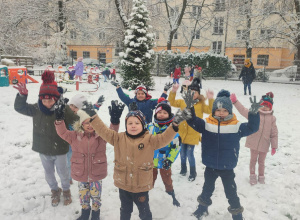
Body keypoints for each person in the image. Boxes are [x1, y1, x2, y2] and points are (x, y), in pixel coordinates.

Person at [79, 100, 190, 220]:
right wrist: (93, 117)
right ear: (126, 125)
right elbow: (103, 131)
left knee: (144, 212)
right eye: (130, 123)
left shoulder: (150, 140)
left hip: (141, 186)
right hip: (123, 185)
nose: (133, 125)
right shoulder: (118, 138)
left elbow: (165, 138)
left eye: (137, 123)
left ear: (143, 125)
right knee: (125, 211)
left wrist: (174, 125)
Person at [182, 89, 260, 220]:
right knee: (207, 189)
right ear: (213, 111)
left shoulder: (236, 126)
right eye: (218, 110)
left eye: (225, 110)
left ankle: (237, 215)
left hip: (227, 167)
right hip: (210, 165)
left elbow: (253, 127)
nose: (221, 113)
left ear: (229, 111)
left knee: (231, 192)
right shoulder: (206, 124)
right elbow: (192, 120)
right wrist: (189, 107)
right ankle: (202, 209)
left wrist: (253, 113)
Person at [13, 70, 78, 207]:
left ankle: (66, 190)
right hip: (43, 149)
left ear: (56, 98)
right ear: (40, 98)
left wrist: (87, 128)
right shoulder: (36, 108)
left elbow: (76, 122)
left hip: (60, 149)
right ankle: (55, 190)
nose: (47, 103)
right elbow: (20, 108)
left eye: (50, 100)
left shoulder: (63, 109)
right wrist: (22, 96)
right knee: (48, 173)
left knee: (63, 172)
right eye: (44, 99)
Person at [54, 98, 122, 220]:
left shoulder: (101, 135)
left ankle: (96, 213)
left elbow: (112, 134)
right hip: (81, 172)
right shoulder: (74, 136)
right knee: (83, 194)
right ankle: (85, 211)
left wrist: (115, 121)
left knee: (96, 195)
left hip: (96, 172)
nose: (90, 125)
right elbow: (62, 132)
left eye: (91, 122)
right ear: (81, 124)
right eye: (86, 123)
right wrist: (59, 120)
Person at [168, 78, 214, 181]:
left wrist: (211, 99)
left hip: (193, 133)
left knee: (189, 153)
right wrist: (173, 91)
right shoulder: (182, 102)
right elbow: (171, 102)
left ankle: (193, 172)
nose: (193, 93)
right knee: (182, 153)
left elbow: (211, 110)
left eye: (195, 92)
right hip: (182, 132)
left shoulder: (201, 104)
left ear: (198, 94)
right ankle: (183, 169)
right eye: (191, 91)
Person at [230, 92, 278, 185]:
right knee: (253, 160)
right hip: (254, 142)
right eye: (263, 105)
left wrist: (274, 146)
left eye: (267, 106)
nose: (265, 107)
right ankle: (252, 175)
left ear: (271, 107)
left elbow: (274, 133)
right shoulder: (254, 114)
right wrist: (235, 101)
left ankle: (261, 176)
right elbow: (243, 110)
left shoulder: (272, 118)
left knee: (261, 161)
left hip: (265, 143)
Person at [147, 98, 181, 207]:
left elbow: (176, 147)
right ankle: (147, 195)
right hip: (150, 160)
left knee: (167, 179)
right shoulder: (150, 127)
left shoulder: (172, 130)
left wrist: (170, 159)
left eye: (164, 112)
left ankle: (171, 195)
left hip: (164, 161)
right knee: (149, 179)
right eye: (159, 112)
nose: (161, 115)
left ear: (169, 114)